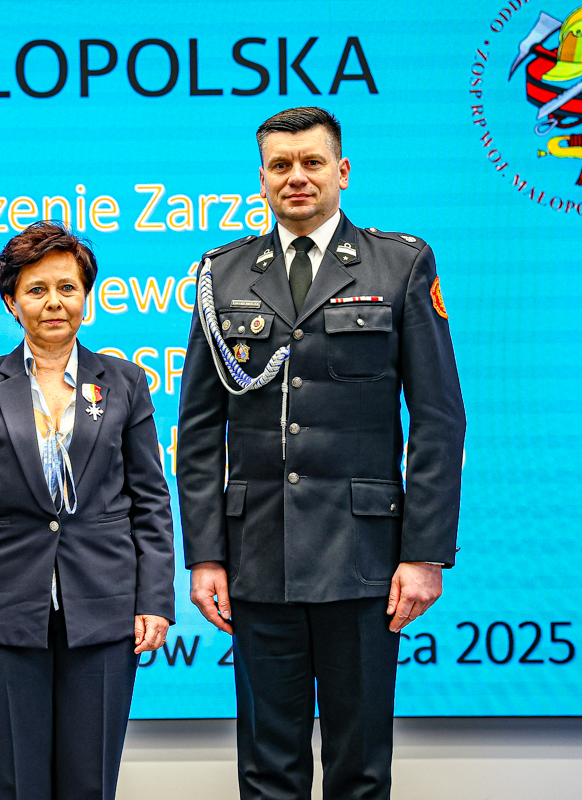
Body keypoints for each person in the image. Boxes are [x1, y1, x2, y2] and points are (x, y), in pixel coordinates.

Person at [177, 107, 466, 800]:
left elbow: (437, 419)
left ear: (342, 171)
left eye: (312, 162)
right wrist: (206, 555)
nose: (296, 177)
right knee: (266, 770)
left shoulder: (401, 264)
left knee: (359, 767)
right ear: (262, 179)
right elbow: (198, 431)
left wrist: (425, 553)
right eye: (280, 166)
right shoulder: (222, 275)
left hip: (365, 560)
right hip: (257, 558)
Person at [0, 221, 176, 800]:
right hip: (5, 613)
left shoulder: (124, 381)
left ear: (87, 296)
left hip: (105, 608)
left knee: (90, 783)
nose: (54, 302)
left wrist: (155, 600)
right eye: (36, 290)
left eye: (67, 287)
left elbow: (150, 499)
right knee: (17, 783)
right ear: (11, 302)